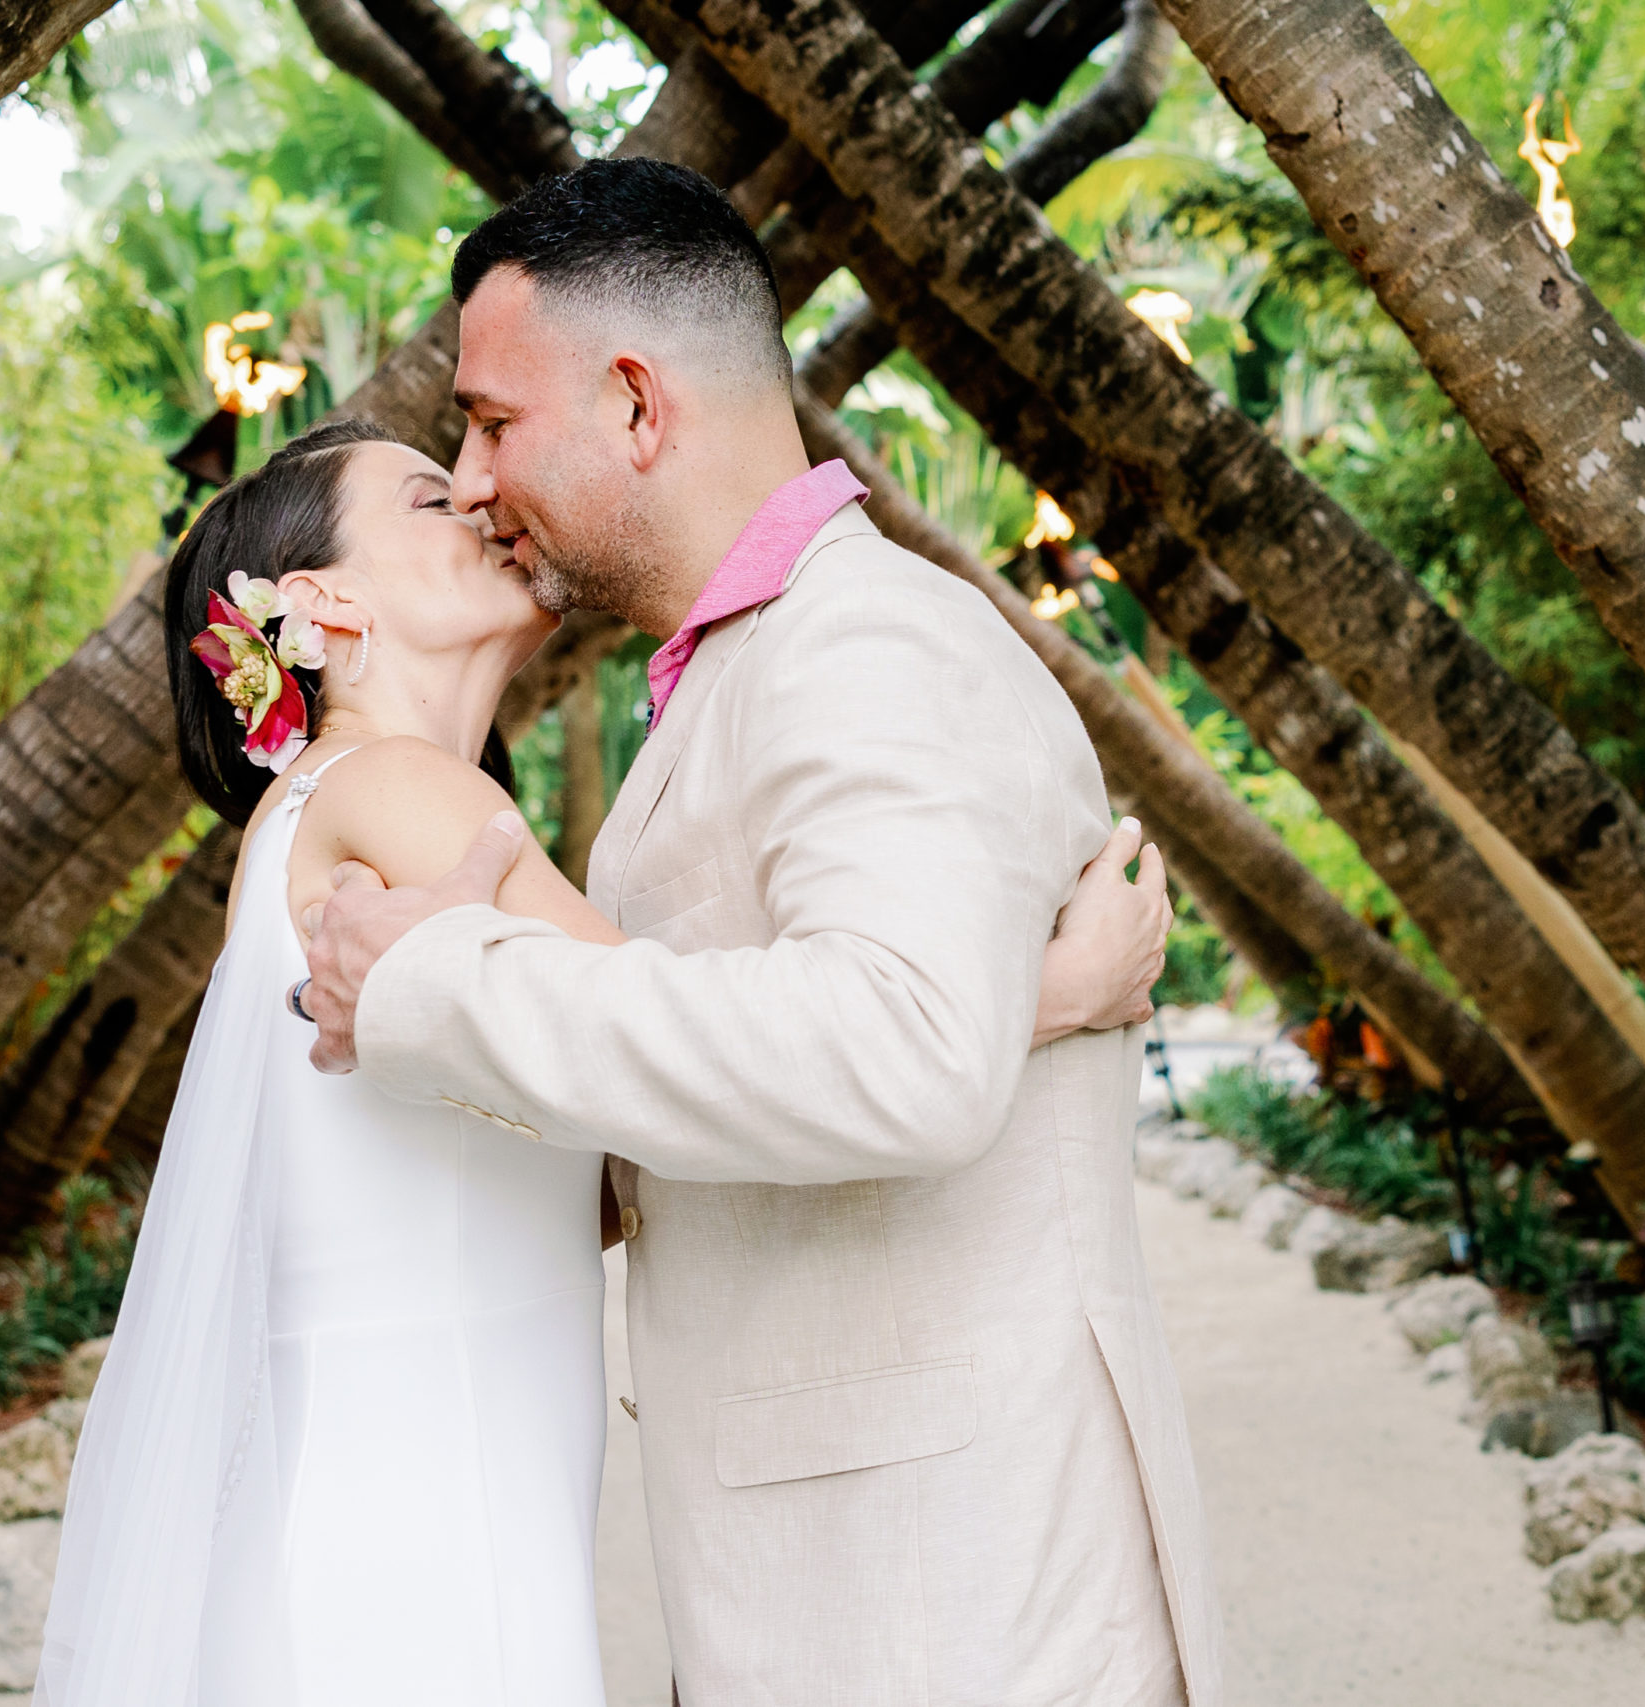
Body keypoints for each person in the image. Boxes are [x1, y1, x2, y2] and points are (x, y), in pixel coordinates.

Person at [34, 409, 1168, 1696]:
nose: (476, 494)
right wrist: (1048, 987)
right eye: (424, 496)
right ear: (319, 604)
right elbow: (690, 1034)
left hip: (428, 1484)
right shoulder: (397, 788)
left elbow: (610, 1147)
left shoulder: (357, 804)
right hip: (416, 1516)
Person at [294, 159, 1222, 1705]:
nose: (467, 475)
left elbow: (905, 1051)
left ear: (640, 406)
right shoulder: (743, 672)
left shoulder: (872, 643)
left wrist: (442, 980)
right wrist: (1035, 995)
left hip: (949, 1606)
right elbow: (818, 1047)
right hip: (844, 1592)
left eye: (493, 421)